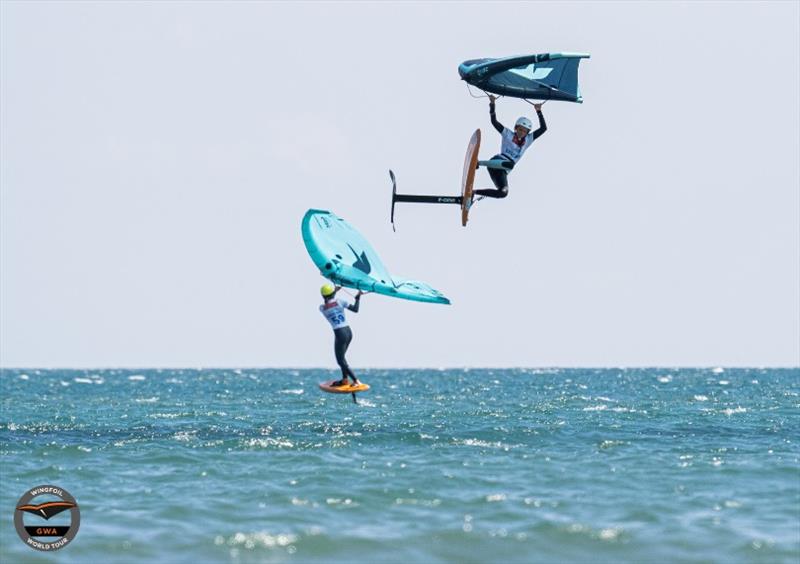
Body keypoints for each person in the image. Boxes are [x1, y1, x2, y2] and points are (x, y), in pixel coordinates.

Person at [474, 94, 547, 200]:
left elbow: (543, 128)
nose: (522, 132)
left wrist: (539, 111)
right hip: (497, 161)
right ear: (516, 128)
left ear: (527, 133)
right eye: (520, 129)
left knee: (503, 193)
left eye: (525, 131)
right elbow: (494, 122)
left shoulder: (528, 139)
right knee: (510, 164)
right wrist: (492, 104)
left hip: (503, 171)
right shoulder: (507, 134)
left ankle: (473, 192)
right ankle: (478, 163)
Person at [319, 283, 362, 387]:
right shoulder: (340, 302)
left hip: (339, 333)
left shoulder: (322, 308)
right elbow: (355, 310)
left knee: (340, 360)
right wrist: (357, 298)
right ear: (333, 294)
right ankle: (345, 380)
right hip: (348, 331)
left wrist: (334, 291)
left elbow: (327, 301)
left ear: (323, 296)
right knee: (342, 359)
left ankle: (356, 381)